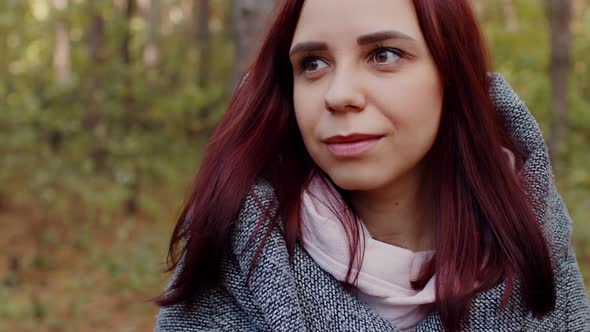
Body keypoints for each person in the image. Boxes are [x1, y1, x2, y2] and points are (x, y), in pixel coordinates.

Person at [153, 0, 590, 331]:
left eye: (383, 54)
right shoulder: (229, 252)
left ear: (451, 76)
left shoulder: (533, 241)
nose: (338, 94)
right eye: (314, 63)